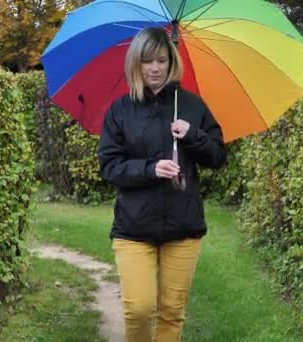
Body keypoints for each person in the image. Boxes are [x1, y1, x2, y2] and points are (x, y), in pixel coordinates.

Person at [97, 26, 227, 342]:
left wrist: (192, 135)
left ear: (172, 62)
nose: (155, 68)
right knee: (139, 309)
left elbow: (218, 156)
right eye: (147, 61)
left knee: (171, 311)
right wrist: (151, 169)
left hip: (183, 226)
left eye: (161, 60)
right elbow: (109, 166)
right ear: (135, 64)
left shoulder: (192, 106)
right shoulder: (120, 110)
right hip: (133, 228)